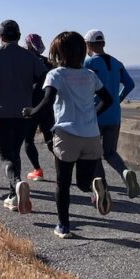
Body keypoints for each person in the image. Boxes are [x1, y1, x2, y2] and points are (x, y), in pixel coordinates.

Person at [24, 31, 114, 238]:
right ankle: (95, 186)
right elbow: (108, 99)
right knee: (83, 183)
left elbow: (47, 102)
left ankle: (63, 226)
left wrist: (31, 112)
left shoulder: (56, 75)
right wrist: (92, 114)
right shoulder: (90, 75)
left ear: (57, 53)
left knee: (62, 184)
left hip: (67, 134)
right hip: (91, 135)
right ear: (83, 51)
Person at [0, 19, 48, 213]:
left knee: (5, 156)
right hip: (24, 112)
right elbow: (44, 76)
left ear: (0, 36)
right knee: (15, 152)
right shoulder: (28, 56)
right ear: (18, 36)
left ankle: (16, 185)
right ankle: (13, 195)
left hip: (1, 112)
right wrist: (31, 83)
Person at [84, 29, 140, 198]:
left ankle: (103, 187)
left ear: (88, 45)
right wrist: (118, 99)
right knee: (110, 152)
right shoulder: (117, 63)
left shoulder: (89, 63)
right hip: (114, 114)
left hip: (96, 113)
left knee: (93, 153)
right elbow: (130, 84)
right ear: (103, 43)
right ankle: (124, 173)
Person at [22, 33, 55, 181]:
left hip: (30, 106)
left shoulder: (24, 61)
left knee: (28, 139)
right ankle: (64, 164)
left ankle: (37, 170)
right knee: (50, 138)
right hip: (47, 105)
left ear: (28, 44)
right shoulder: (48, 62)